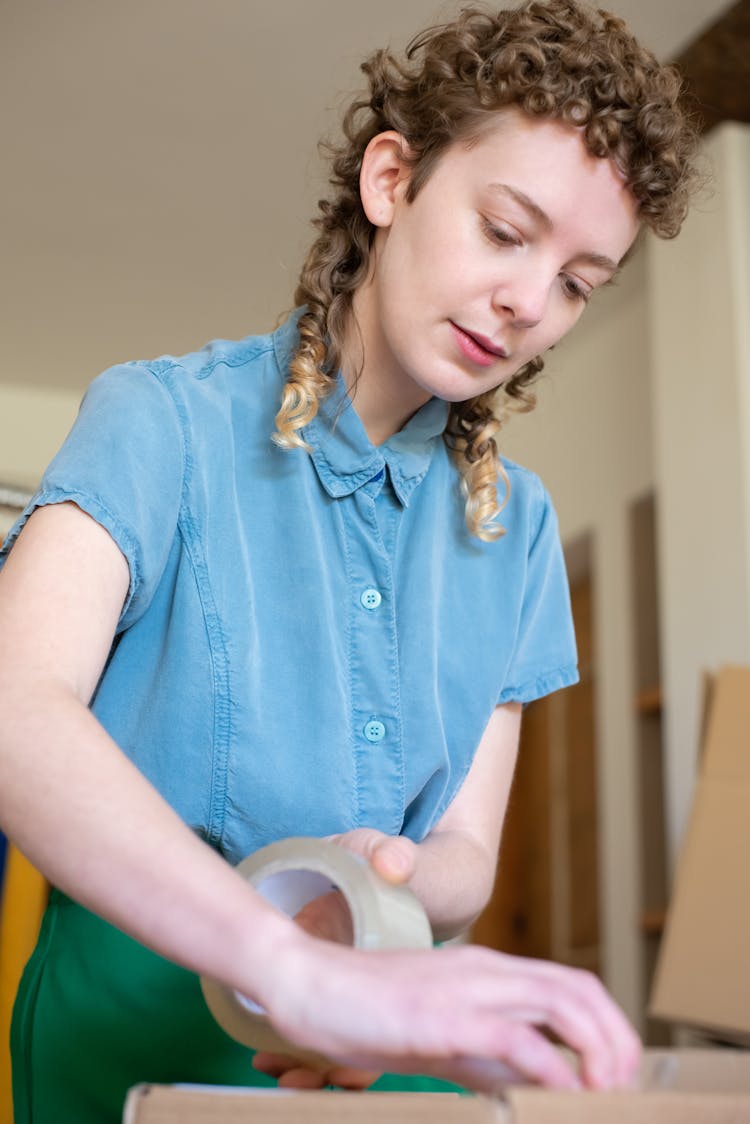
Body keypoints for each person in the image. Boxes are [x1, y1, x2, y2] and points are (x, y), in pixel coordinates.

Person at [0, 1, 699, 1120]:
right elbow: (15, 711)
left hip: (380, 1019)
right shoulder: (160, 422)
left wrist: (391, 890)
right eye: (506, 231)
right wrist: (292, 968)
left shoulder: (513, 529)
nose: (530, 303)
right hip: (134, 1032)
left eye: (577, 283)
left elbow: (468, 846)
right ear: (391, 181)